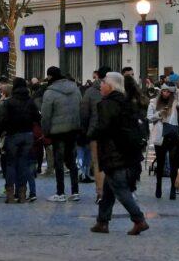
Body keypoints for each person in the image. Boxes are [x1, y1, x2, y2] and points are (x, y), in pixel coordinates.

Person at [90, 72, 149, 236]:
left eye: (103, 83)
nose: (100, 86)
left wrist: (89, 135)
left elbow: (104, 127)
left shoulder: (107, 104)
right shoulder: (126, 102)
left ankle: (139, 220)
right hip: (128, 151)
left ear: (111, 86)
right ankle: (102, 221)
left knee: (120, 189)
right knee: (109, 188)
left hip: (114, 152)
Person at [41, 66, 82, 202]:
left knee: (59, 162)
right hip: (73, 129)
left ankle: (60, 192)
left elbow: (46, 115)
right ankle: (75, 191)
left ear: (50, 77)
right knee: (72, 161)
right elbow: (80, 107)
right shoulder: (75, 88)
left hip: (57, 131)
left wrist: (45, 131)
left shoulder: (50, 92)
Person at [0, 76, 40, 203]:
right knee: (23, 164)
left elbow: (1, 119)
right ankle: (22, 195)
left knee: (10, 164)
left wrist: (4, 130)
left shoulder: (9, 102)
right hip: (27, 135)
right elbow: (37, 117)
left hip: (12, 135)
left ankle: (10, 195)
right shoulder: (30, 101)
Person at [80, 66, 110, 202]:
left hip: (95, 131)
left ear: (97, 75)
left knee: (98, 163)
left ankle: (100, 192)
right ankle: (113, 191)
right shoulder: (116, 90)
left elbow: (84, 113)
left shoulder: (90, 92)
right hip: (112, 131)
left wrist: (85, 131)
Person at [147, 84, 179, 199]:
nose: (165, 93)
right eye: (163, 91)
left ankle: (173, 188)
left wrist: (178, 90)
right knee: (160, 162)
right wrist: (160, 113)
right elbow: (149, 117)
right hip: (160, 134)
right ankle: (158, 186)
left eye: (168, 91)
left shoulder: (175, 102)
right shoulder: (153, 102)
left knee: (173, 163)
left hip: (172, 133)